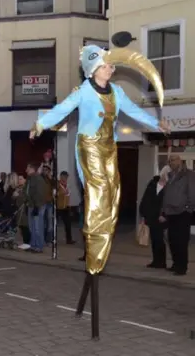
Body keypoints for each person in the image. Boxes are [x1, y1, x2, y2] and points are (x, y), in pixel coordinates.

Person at [30, 44, 169, 274]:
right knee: (99, 190)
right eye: (105, 66)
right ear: (94, 69)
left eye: (111, 66)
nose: (110, 69)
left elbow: (134, 111)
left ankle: (100, 249)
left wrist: (157, 123)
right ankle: (92, 247)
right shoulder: (84, 90)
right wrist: (40, 124)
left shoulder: (117, 92)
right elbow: (63, 108)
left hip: (108, 147)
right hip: (89, 145)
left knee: (114, 194)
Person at [160, 155, 194, 276]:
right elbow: (166, 195)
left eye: (173, 160)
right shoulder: (169, 176)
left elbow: (192, 192)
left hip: (182, 213)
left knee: (181, 241)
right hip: (170, 213)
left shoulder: (188, 174)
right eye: (169, 161)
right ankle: (175, 264)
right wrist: (163, 211)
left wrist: (188, 208)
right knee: (172, 240)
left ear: (180, 161)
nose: (171, 163)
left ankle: (182, 267)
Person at [139, 166, 170, 269]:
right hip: (151, 216)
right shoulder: (152, 183)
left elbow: (168, 203)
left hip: (161, 218)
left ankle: (162, 262)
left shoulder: (170, 186)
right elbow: (146, 198)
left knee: (160, 240)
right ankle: (156, 261)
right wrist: (143, 214)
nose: (165, 175)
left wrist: (165, 215)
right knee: (154, 240)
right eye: (164, 173)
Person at [25, 162, 47, 253]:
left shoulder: (37, 179)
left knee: (37, 227)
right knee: (32, 227)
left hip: (38, 205)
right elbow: (28, 192)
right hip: (31, 205)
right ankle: (33, 245)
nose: (26, 170)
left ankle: (39, 246)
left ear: (32, 169)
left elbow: (40, 193)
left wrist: (37, 206)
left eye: (27, 168)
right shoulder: (30, 179)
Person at [57, 171, 75, 245]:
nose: (65, 179)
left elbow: (68, 196)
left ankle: (69, 239)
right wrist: (62, 193)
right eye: (64, 177)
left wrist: (69, 205)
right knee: (54, 224)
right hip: (58, 207)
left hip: (66, 207)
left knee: (68, 224)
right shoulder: (57, 185)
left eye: (66, 177)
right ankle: (50, 239)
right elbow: (54, 194)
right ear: (61, 177)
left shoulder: (68, 185)